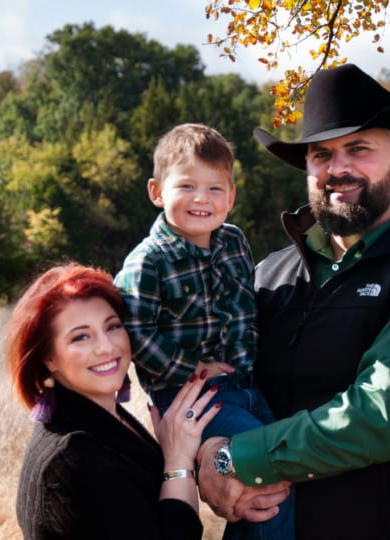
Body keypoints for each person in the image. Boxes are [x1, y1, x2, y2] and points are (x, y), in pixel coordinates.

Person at [195, 63, 390, 539]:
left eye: (359, 148)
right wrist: (201, 452)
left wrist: (237, 459)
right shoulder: (267, 275)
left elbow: (379, 417)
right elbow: (214, 378)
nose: (338, 169)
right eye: (321, 154)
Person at [114, 123, 294, 539]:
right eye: (187, 186)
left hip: (246, 386)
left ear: (231, 196)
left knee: (284, 466)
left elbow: (247, 309)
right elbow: (135, 331)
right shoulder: (149, 261)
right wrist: (192, 367)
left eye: (216, 189)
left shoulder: (233, 242)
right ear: (157, 192)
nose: (202, 199)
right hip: (192, 396)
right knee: (261, 461)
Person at [7, 263, 222, 540]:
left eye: (112, 326)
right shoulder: (73, 455)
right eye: (81, 337)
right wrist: (177, 460)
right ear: (48, 358)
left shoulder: (103, 416)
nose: (107, 347)